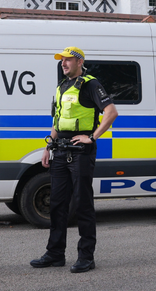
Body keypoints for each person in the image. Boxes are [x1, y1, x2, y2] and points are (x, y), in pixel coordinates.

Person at [31, 46, 117, 274]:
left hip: (80, 153)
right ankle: (55, 253)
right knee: (57, 205)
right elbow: (58, 121)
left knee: (82, 204)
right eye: (61, 60)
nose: (63, 63)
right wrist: (48, 146)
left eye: (68, 60)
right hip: (59, 151)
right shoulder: (62, 87)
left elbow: (111, 112)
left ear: (79, 62)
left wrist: (92, 137)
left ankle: (86, 257)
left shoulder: (90, 84)